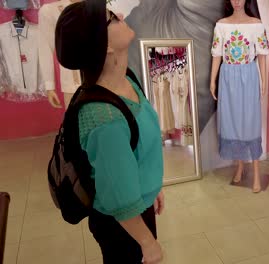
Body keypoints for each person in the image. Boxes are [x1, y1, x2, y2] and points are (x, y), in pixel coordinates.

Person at [54, 1, 164, 263]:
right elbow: (119, 199)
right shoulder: (106, 120)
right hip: (121, 225)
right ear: (104, 45)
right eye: (111, 17)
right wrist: (147, 243)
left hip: (138, 208)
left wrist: (153, 186)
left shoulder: (127, 78)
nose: (121, 16)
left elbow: (139, 148)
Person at [210, 0, 269, 193]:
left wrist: (264, 81)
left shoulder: (256, 24)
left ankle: (255, 171)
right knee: (233, 121)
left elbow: (262, 55)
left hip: (249, 76)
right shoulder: (221, 25)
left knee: (250, 121)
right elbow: (217, 54)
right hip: (228, 77)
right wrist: (212, 80)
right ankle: (240, 165)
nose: (236, 1)